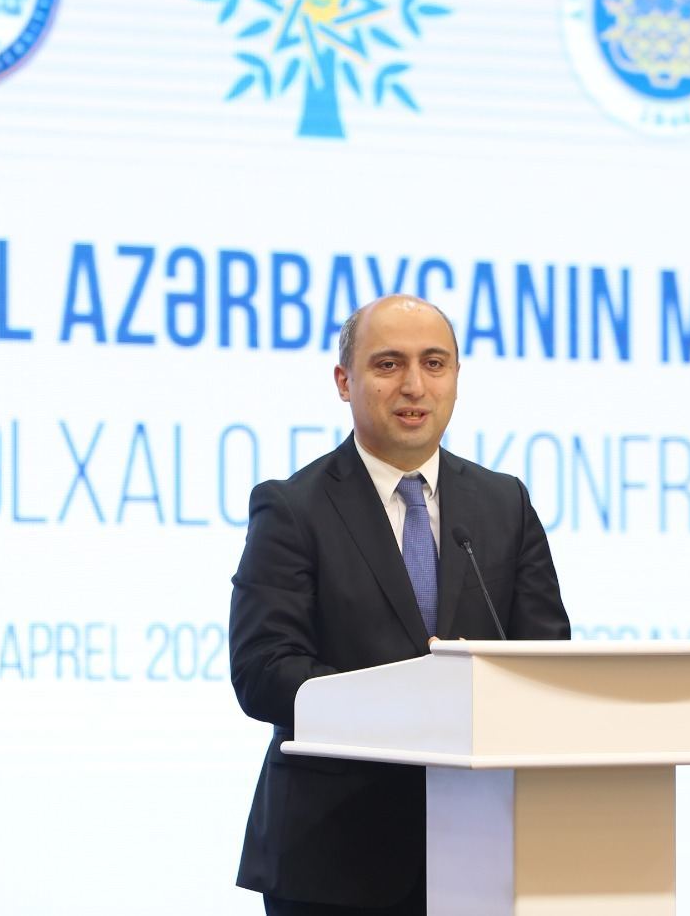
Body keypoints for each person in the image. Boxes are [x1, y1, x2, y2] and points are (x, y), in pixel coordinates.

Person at [228, 294, 571, 915]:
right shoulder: (292, 508)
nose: (414, 385)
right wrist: (409, 702)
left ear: (456, 378)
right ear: (344, 382)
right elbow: (264, 672)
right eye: (388, 364)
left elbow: (547, 661)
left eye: (434, 363)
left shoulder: (505, 504)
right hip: (333, 859)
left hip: (484, 850)